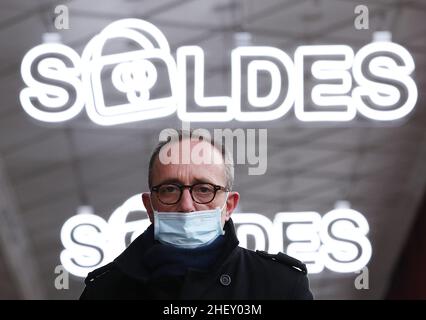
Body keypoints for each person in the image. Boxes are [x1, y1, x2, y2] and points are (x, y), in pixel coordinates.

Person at [80, 129, 313, 299]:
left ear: (229, 206)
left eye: (204, 189)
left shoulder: (281, 286)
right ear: (149, 206)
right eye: (170, 189)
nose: (187, 205)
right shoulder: (104, 291)